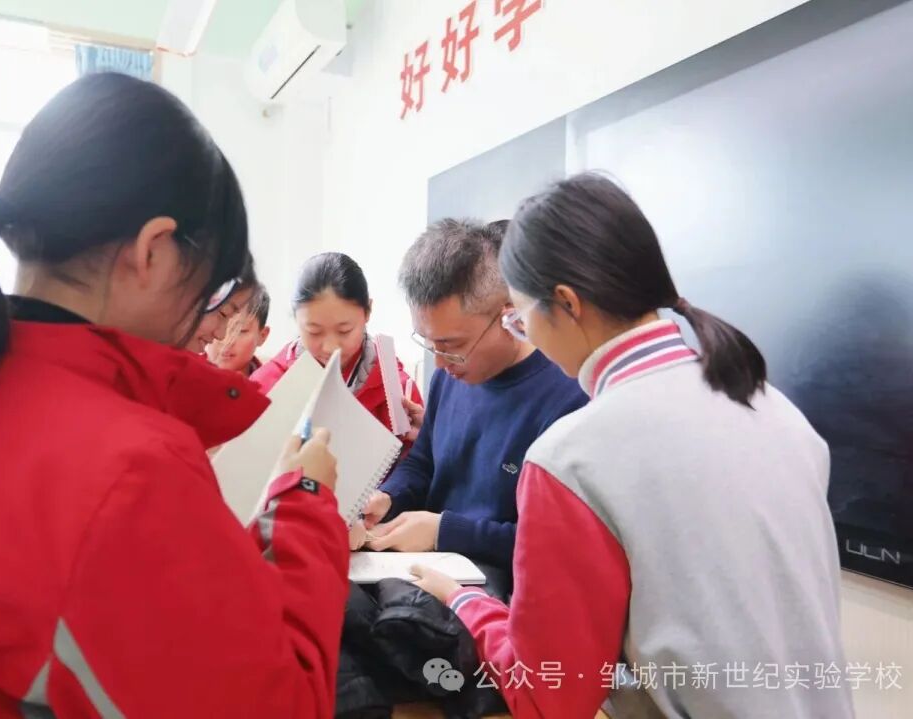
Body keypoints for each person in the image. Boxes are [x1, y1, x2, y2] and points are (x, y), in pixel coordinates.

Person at [0, 73, 350, 718]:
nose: (206, 323)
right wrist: (306, 501)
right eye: (209, 289)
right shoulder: (127, 468)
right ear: (153, 251)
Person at [411, 173, 852, 718]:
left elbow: (550, 697)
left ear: (566, 304)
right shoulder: (776, 409)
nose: (523, 334)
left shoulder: (572, 457)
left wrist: (466, 600)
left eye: (519, 318)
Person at [362, 219, 588, 573]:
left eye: (452, 345)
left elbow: (556, 544)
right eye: (428, 342)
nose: (440, 362)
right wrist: (389, 497)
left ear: (511, 319)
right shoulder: (450, 374)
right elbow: (424, 462)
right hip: (425, 569)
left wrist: (445, 532)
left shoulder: (570, 399)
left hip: (492, 586)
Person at [252, 252, 422, 452]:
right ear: (296, 318)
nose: (330, 347)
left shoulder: (398, 391)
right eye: (314, 331)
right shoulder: (266, 386)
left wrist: (423, 439)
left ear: (368, 311)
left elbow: (418, 462)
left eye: (344, 331)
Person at [205, 284, 271, 376]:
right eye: (218, 326)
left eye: (241, 331)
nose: (226, 339)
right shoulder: (186, 375)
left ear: (262, 336)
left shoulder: (273, 382)